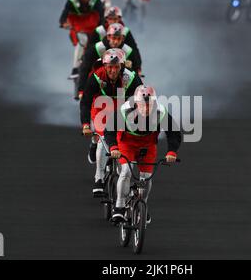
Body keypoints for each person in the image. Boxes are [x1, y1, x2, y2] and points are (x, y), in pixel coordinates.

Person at [105, 85, 182, 223]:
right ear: (136, 102)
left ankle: (143, 205)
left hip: (148, 145)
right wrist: (113, 147)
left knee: (146, 178)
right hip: (127, 144)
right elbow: (109, 129)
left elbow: (174, 133)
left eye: (149, 104)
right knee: (126, 171)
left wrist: (172, 151)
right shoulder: (125, 110)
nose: (146, 108)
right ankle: (120, 206)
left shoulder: (160, 112)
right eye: (142, 104)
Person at [81, 49, 144, 196]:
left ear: (122, 66)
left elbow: (141, 101)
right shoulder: (97, 76)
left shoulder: (131, 77)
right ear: (104, 66)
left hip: (123, 106)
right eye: (109, 67)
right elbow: (85, 102)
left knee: (126, 138)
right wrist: (85, 124)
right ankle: (99, 177)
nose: (113, 70)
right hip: (103, 107)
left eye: (116, 67)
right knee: (103, 138)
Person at [78, 23, 142, 99]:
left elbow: (135, 72)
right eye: (114, 38)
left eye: (119, 39)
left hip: (121, 87)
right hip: (99, 83)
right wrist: (81, 90)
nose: (116, 42)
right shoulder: (96, 49)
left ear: (123, 38)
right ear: (108, 37)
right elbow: (85, 69)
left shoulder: (128, 51)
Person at [59, 0, 105, 84]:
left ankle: (103, 63)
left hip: (92, 27)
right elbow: (63, 15)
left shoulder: (96, 0)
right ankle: (75, 68)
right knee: (82, 41)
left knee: (103, 41)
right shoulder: (72, 0)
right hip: (77, 26)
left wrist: (100, 28)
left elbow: (101, 17)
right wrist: (63, 23)